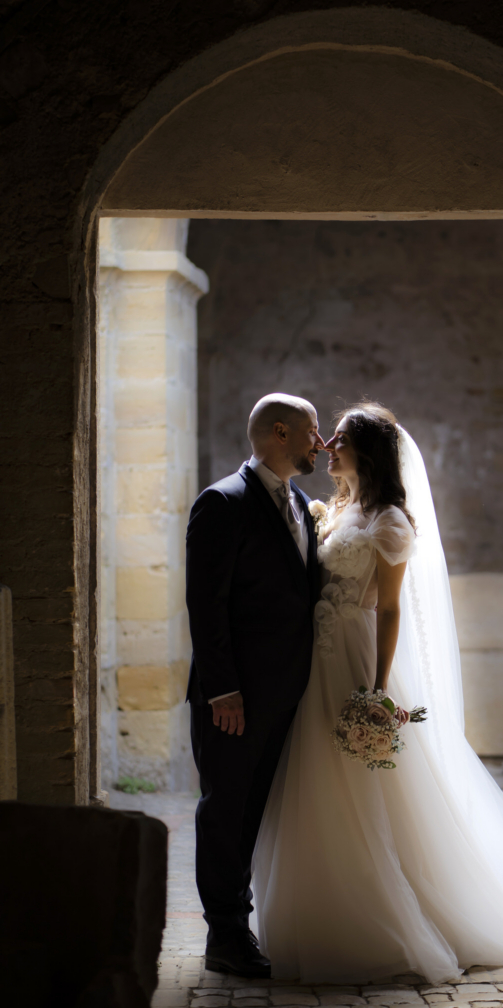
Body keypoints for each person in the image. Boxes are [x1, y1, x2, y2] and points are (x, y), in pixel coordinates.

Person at [253, 402, 503, 984]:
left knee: (363, 782)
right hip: (316, 660)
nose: (329, 445)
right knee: (315, 775)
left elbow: (390, 608)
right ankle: (321, 903)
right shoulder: (341, 510)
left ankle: (385, 913)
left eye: (342, 440)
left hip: (353, 658)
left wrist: (378, 690)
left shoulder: (390, 522)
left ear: (368, 452)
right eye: (329, 438)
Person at [185, 393, 324, 978]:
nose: (321, 443)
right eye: (314, 431)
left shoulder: (300, 502)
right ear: (281, 432)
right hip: (234, 699)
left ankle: (241, 930)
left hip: (286, 693)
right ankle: (225, 939)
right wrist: (222, 691)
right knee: (226, 813)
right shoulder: (223, 502)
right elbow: (205, 604)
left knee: (256, 812)